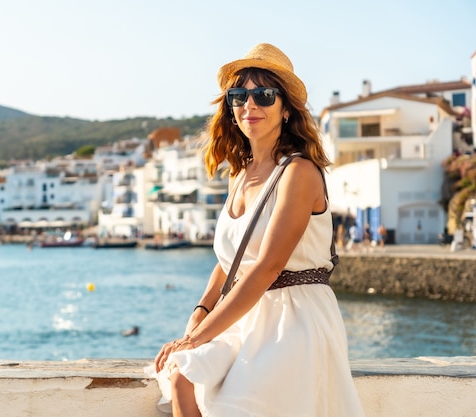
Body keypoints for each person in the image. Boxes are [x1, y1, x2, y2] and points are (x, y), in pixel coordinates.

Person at [145, 43, 365, 417]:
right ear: (229, 107)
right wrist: (201, 308)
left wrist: (194, 339)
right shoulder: (240, 173)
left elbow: (266, 266)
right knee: (182, 377)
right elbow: (230, 259)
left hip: (292, 318)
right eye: (239, 95)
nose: (250, 105)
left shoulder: (298, 173)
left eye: (263, 95)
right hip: (246, 315)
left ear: (286, 108)